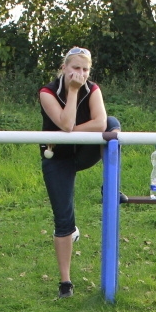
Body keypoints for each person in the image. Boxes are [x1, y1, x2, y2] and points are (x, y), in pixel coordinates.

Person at [38, 46, 121, 299]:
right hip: (56, 157)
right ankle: (65, 282)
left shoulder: (93, 89)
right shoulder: (47, 92)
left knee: (114, 127)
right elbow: (64, 122)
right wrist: (72, 92)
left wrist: (70, 133)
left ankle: (112, 184)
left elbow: (101, 122)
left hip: (83, 152)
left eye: (85, 70)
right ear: (64, 68)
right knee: (63, 221)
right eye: (76, 68)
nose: (81, 74)